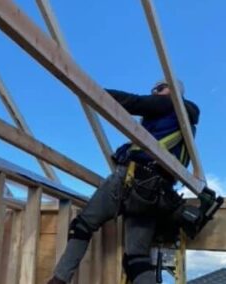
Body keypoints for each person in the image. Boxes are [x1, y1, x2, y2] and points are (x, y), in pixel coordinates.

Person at [47, 80, 200, 284]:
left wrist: (90, 90)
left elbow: (133, 102)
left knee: (82, 227)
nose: (154, 92)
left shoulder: (169, 103)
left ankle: (58, 280)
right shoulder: (187, 127)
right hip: (155, 194)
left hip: (131, 179)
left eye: (158, 89)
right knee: (136, 258)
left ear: (171, 90)